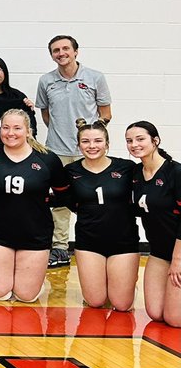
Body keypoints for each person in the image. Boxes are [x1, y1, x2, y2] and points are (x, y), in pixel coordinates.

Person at [0, 109, 68, 302]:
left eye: (17, 128)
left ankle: (31, 280)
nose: (10, 133)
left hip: (35, 235)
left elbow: (64, 195)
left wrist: (44, 200)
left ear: (28, 131)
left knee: (26, 296)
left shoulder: (47, 159)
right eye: (5, 127)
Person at [36, 34, 112, 269]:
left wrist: (89, 138)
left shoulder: (95, 78)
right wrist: (60, 133)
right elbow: (46, 114)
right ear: (52, 55)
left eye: (65, 49)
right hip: (56, 151)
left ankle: (98, 246)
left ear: (76, 51)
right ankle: (59, 249)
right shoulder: (46, 81)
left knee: (95, 200)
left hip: (87, 153)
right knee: (59, 202)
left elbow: (106, 113)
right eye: (55, 50)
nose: (61, 53)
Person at [61, 119, 138, 311]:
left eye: (97, 141)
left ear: (107, 144)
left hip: (124, 241)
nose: (92, 146)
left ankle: (125, 283)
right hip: (89, 242)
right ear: (78, 145)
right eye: (85, 141)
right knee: (95, 301)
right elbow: (69, 201)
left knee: (121, 304)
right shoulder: (71, 171)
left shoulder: (127, 168)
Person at [127, 121, 181, 326]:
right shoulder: (135, 174)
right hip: (159, 251)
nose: (134, 144)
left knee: (175, 319)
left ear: (155, 141)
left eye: (140, 139)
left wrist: (178, 260)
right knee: (156, 313)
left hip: (179, 251)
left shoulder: (175, 173)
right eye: (129, 141)